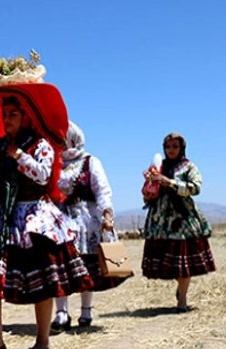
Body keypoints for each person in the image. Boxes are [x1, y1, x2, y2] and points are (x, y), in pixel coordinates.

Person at [0, 53, 92, 349]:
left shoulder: (39, 145)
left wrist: (19, 156)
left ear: (26, 116)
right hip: (2, 221)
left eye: (13, 115)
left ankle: (42, 342)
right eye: (5, 115)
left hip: (35, 219)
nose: (7, 120)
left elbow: (44, 175)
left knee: (42, 284)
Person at [51, 121, 126, 332]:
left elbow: (102, 190)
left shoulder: (90, 162)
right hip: (59, 223)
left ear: (73, 138)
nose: (59, 141)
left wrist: (107, 215)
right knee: (60, 268)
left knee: (87, 267)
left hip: (86, 224)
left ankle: (86, 310)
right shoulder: (52, 163)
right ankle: (61, 313)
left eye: (62, 136)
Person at [142, 132, 216, 312]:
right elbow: (149, 193)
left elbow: (195, 187)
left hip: (183, 221)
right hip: (160, 223)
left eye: (175, 146)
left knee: (184, 263)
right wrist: (148, 190)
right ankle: (180, 290)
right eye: (168, 147)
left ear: (182, 148)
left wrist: (171, 183)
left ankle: (182, 298)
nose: (171, 150)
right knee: (171, 262)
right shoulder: (157, 167)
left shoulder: (189, 166)